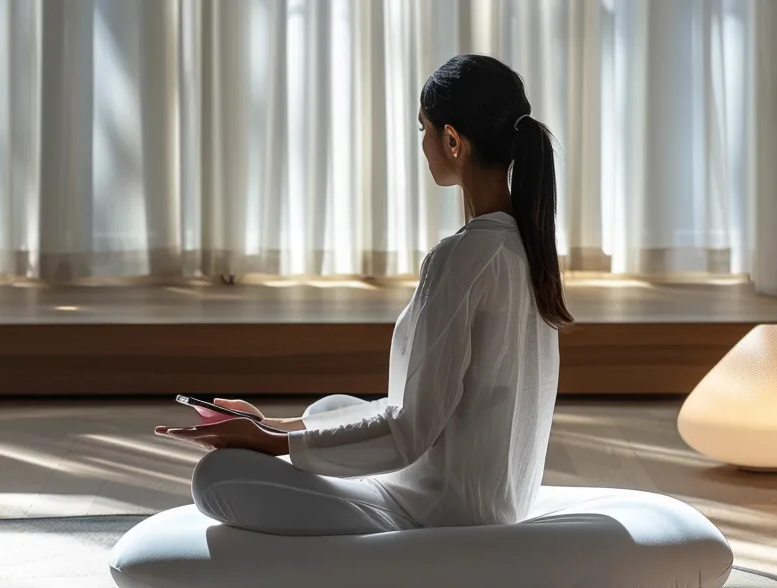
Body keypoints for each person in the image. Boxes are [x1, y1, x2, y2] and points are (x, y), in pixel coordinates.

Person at [155, 54, 570, 536]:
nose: (423, 143)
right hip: (492, 497)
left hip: (442, 515)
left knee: (215, 478)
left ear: (452, 140)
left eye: (424, 128)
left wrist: (272, 443)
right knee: (323, 411)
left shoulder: (462, 258)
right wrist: (276, 426)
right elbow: (423, 408)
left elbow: (411, 429)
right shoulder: (525, 243)